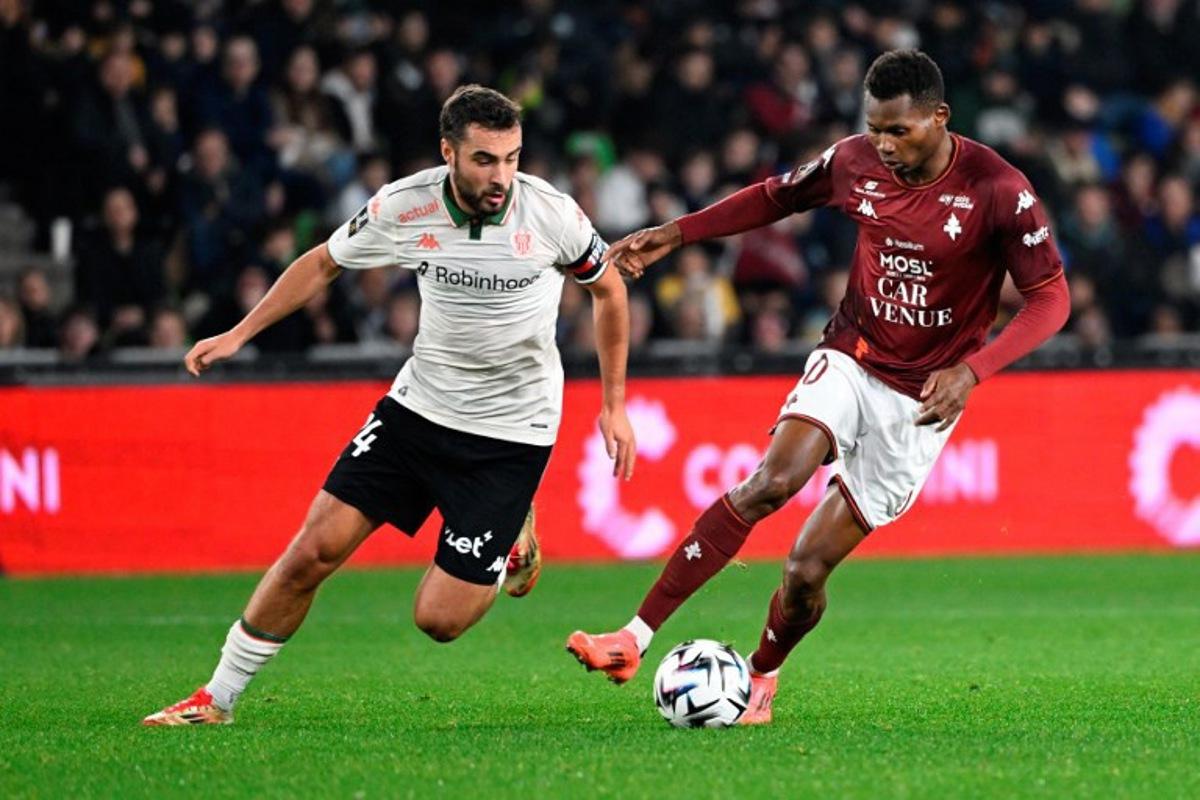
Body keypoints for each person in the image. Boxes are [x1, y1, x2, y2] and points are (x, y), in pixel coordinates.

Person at [566, 50, 1069, 725]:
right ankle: (632, 637)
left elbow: (1051, 299)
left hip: (920, 401)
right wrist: (676, 234)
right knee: (771, 481)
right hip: (851, 354)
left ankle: (762, 678)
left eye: (901, 131)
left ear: (940, 118)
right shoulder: (852, 160)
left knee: (804, 573)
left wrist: (974, 369)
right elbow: (775, 197)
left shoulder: (998, 189)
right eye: (876, 129)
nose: (884, 146)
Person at [144, 85, 635, 726]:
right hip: (418, 409)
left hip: (512, 433)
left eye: (512, 158)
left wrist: (614, 405)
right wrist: (239, 333)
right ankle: (217, 698)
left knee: (438, 620)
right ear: (448, 152)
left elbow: (610, 293)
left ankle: (512, 532)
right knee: (312, 551)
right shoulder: (405, 205)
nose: (502, 176)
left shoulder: (552, 215)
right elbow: (322, 264)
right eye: (485, 159)